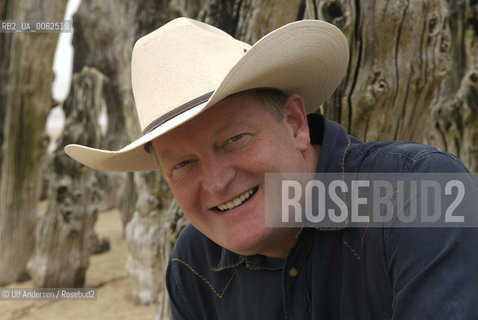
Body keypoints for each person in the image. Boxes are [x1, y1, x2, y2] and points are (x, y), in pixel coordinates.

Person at [66, 18, 478, 319]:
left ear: (296, 123)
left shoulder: (413, 194)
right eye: (184, 163)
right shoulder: (196, 261)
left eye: (235, 139)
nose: (216, 181)